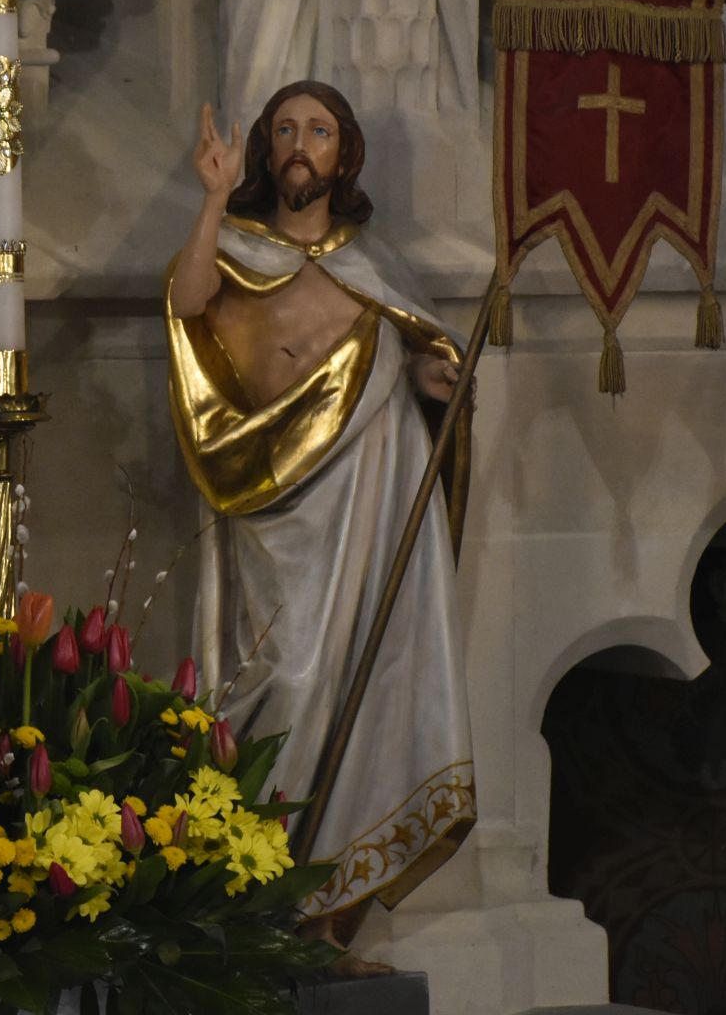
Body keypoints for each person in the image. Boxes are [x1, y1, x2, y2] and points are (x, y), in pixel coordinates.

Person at [165, 81, 477, 948]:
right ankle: (245, 909)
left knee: (359, 692)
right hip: (271, 501)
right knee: (285, 678)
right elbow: (186, 303)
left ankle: (325, 926)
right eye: (287, 130)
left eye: (321, 131)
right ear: (267, 151)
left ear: (346, 155)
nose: (302, 144)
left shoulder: (372, 266)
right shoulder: (234, 245)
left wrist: (433, 380)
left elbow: (414, 360)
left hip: (366, 497)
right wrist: (212, 199)